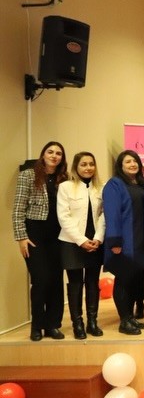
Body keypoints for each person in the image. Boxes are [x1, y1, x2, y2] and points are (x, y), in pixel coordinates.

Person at [14, 141, 68, 341]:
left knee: (56, 280)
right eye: (50, 152)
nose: (54, 156)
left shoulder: (65, 178)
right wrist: (21, 237)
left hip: (58, 236)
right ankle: (37, 326)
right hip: (34, 235)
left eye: (58, 153)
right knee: (40, 280)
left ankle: (53, 325)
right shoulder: (28, 175)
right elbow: (18, 208)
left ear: (62, 158)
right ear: (43, 154)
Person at [103, 150, 144, 335]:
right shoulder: (115, 184)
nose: (132, 164)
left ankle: (130, 317)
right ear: (120, 166)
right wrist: (115, 241)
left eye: (135, 161)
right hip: (124, 240)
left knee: (134, 280)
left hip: (140, 239)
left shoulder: (141, 183)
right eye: (128, 162)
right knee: (123, 279)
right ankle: (124, 320)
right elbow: (112, 214)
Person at [57, 152, 105, 339]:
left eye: (91, 164)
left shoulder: (100, 187)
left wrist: (98, 238)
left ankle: (92, 321)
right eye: (83, 164)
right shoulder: (66, 187)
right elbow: (64, 217)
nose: (88, 168)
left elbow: (103, 215)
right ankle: (77, 323)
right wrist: (81, 240)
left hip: (95, 242)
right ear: (76, 167)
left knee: (93, 282)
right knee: (75, 283)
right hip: (72, 242)